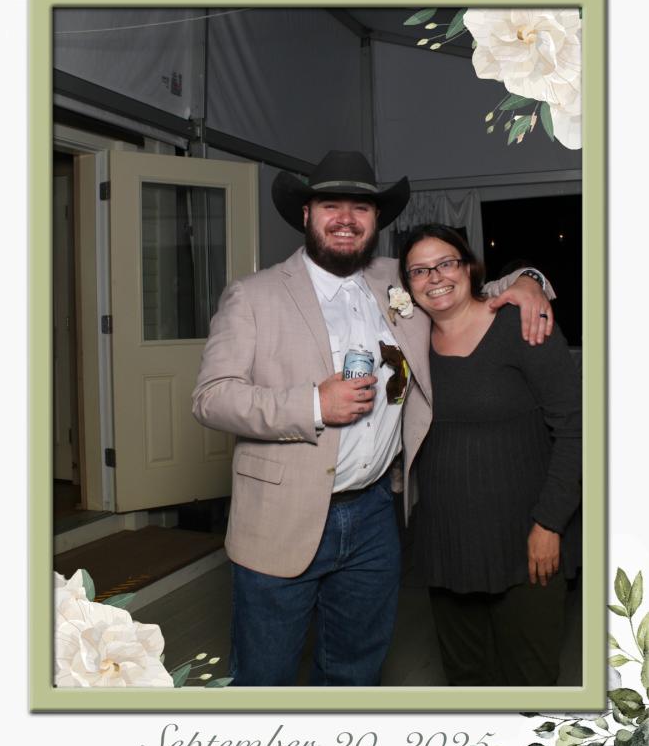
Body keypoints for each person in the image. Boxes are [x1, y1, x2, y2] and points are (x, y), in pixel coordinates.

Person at [191, 151, 554, 687]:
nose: (346, 218)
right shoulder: (254, 295)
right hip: (280, 517)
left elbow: (466, 288)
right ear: (306, 215)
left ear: (376, 219)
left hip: (375, 517)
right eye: (330, 206)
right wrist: (313, 405)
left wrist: (528, 280)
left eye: (360, 208)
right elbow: (211, 397)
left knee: (355, 672)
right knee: (264, 679)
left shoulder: (395, 279)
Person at [399, 223, 581, 686]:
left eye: (446, 263)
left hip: (527, 541)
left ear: (469, 268)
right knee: (466, 680)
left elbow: (578, 429)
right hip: (446, 543)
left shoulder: (523, 326)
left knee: (531, 683)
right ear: (407, 285)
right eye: (419, 270)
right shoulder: (410, 343)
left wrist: (550, 523)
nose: (435, 277)